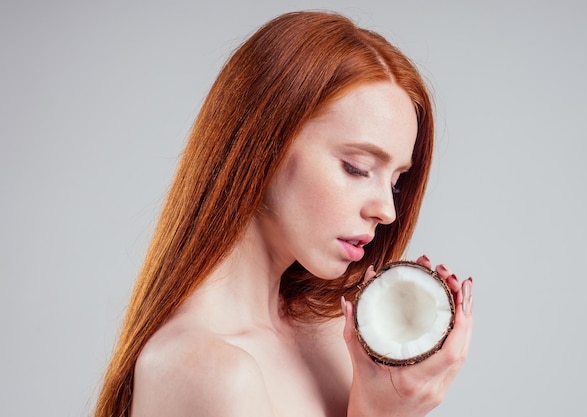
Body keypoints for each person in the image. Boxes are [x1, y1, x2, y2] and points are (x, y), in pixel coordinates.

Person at [95, 10, 473, 417]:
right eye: (357, 167)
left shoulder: (334, 337)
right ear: (265, 145)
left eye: (396, 180)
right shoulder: (208, 372)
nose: (387, 211)